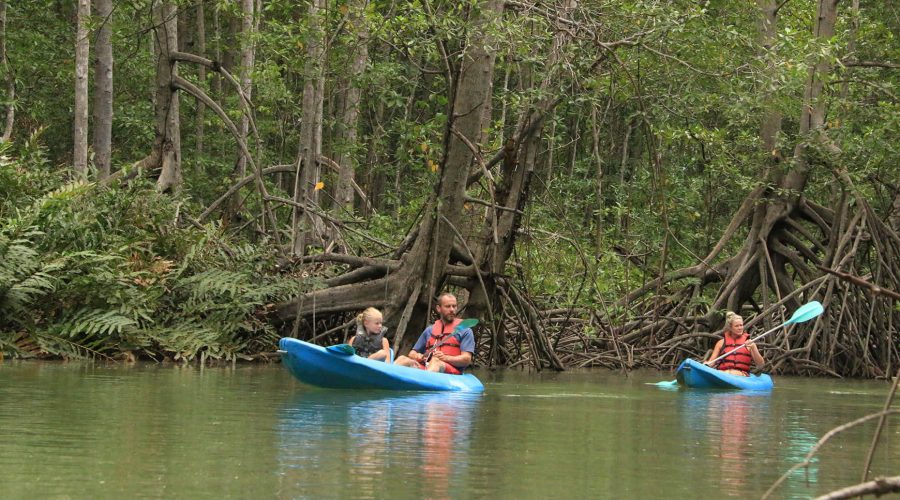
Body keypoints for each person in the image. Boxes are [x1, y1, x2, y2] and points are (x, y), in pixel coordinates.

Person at [394, 293, 475, 374]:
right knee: (402, 359)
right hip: (427, 367)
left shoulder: (465, 331)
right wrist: (417, 356)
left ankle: (424, 383)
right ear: (438, 308)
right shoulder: (429, 330)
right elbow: (412, 353)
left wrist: (445, 358)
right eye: (448, 306)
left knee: (436, 361)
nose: (452, 310)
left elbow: (466, 359)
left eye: (454, 306)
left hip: (451, 371)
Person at [705, 311, 765, 376]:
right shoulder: (720, 343)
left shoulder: (749, 343)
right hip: (723, 373)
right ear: (730, 328)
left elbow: (760, 364)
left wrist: (753, 347)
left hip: (741, 375)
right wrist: (707, 364)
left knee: (731, 373)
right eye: (736, 326)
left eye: (741, 325)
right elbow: (712, 362)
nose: (740, 328)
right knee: (727, 372)